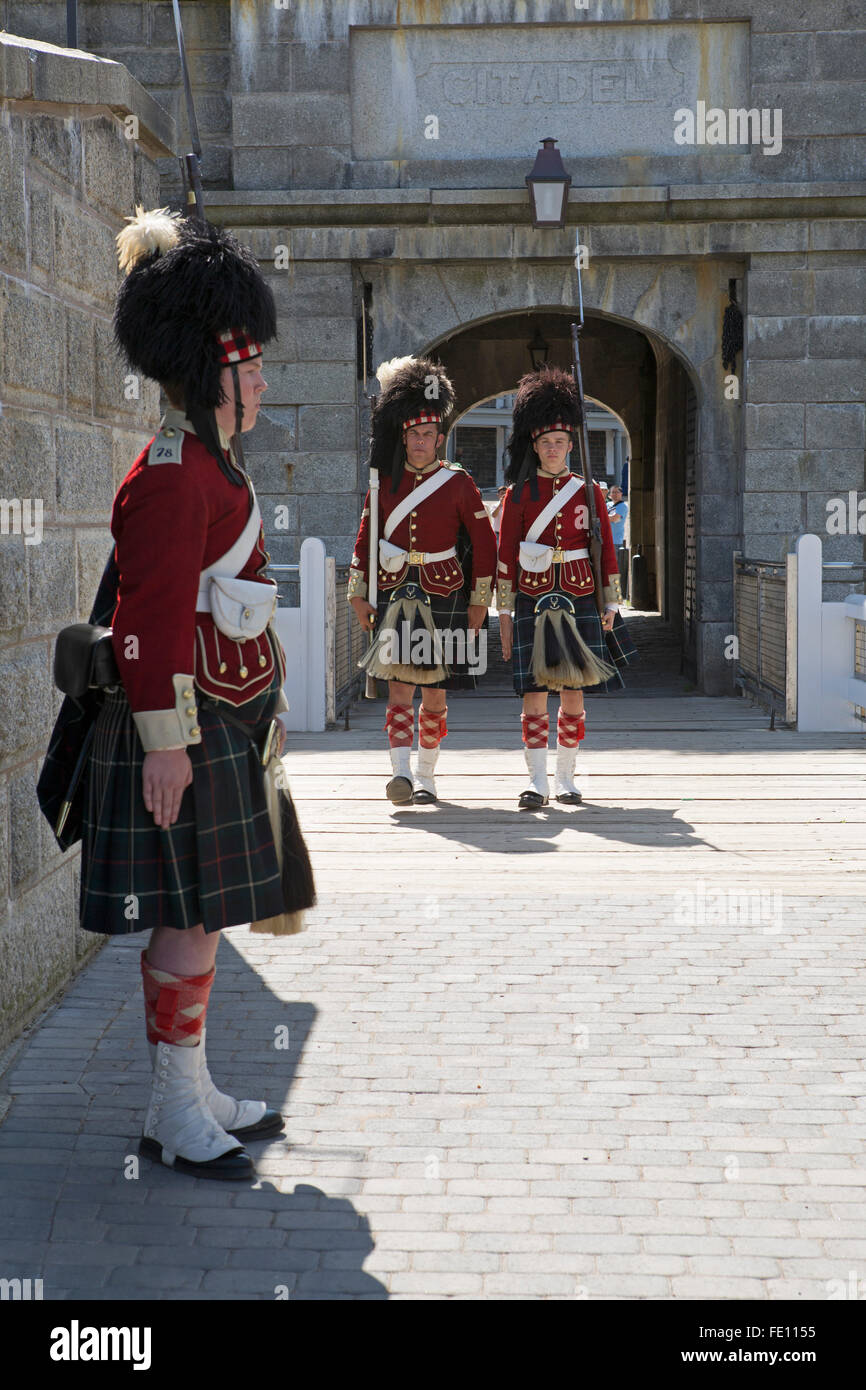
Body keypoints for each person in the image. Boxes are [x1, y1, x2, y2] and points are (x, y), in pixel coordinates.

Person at [38, 205, 315, 1181]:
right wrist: (166, 744)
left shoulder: (212, 468)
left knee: (198, 916)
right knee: (188, 916)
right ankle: (168, 1104)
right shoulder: (172, 477)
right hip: (183, 735)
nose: (262, 381)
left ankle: (192, 1089)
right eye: (249, 366)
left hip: (222, 728)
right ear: (211, 376)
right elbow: (153, 620)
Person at [348, 356, 497, 804]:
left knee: (435, 692)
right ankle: (401, 774)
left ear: (439, 438)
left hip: (446, 593)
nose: (420, 442)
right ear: (404, 435)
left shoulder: (458, 483)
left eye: (428, 434)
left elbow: (485, 546)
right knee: (398, 687)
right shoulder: (385, 483)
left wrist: (479, 602)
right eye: (413, 434)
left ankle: (428, 776)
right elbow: (367, 535)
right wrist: (358, 591)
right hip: (395, 593)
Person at [497, 366, 638, 807]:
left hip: (578, 594)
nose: (552, 449)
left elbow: (607, 555)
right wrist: (503, 615)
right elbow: (505, 559)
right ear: (534, 446)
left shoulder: (590, 492)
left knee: (574, 692)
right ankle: (537, 782)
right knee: (535, 692)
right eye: (545, 443)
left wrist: (611, 600)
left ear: (571, 445)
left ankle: (566, 779)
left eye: (560, 442)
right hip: (533, 597)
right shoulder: (517, 495)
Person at [607, 483, 630, 600]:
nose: (615, 494)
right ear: (609, 495)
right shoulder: (608, 504)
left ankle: (616, 595)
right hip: (605, 541)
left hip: (616, 542)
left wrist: (601, 517)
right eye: (613, 492)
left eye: (617, 492)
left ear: (621, 494)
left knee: (615, 568)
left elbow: (615, 519)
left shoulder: (623, 506)